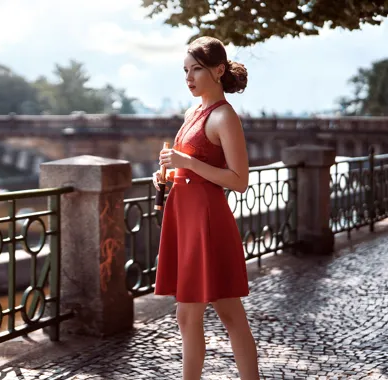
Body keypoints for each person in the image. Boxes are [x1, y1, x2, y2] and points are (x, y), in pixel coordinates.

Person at [153, 36, 260, 380]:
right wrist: (167, 175)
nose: (189, 77)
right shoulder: (192, 113)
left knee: (216, 314)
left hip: (207, 221)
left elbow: (239, 180)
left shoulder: (224, 116)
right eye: (185, 70)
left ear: (218, 70)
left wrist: (188, 162)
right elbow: (189, 167)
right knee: (208, 312)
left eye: (196, 69)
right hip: (184, 216)